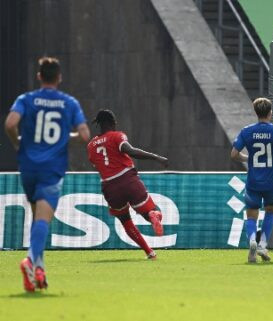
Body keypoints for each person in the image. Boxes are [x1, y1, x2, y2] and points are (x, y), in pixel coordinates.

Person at [4, 57, 91, 291]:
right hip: (52, 169)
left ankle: (39, 271)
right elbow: (84, 135)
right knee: (43, 219)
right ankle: (31, 261)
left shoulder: (26, 99)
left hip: (28, 167)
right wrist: (66, 139)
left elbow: (10, 123)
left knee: (36, 217)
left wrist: (18, 145)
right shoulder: (69, 103)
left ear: (40, 76)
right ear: (59, 78)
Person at [87, 109, 167, 259]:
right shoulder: (117, 136)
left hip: (109, 187)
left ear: (99, 124)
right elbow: (131, 151)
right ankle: (153, 215)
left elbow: (96, 164)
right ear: (112, 122)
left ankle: (149, 252)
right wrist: (156, 158)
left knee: (125, 221)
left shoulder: (91, 145)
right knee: (148, 212)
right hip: (127, 180)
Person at [231, 98, 273, 263]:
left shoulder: (246, 131)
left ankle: (252, 240)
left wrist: (248, 157)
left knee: (251, 214)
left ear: (256, 112)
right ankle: (262, 244)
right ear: (270, 113)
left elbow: (234, 154)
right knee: (270, 211)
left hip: (253, 181)